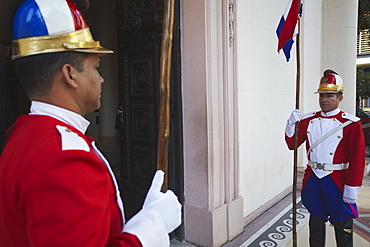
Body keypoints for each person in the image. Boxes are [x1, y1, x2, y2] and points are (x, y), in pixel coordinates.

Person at [0, 0, 181, 246]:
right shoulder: (62, 159)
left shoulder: (22, 135)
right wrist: (153, 225)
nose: (101, 78)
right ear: (70, 74)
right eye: (95, 67)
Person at [285, 69, 365, 247]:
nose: (324, 99)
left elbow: (358, 160)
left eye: (330, 95)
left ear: (340, 98)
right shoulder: (308, 120)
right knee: (316, 222)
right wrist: (291, 123)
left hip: (337, 181)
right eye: (322, 95)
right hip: (314, 179)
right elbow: (292, 144)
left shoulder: (351, 124)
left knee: (342, 225)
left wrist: (351, 189)